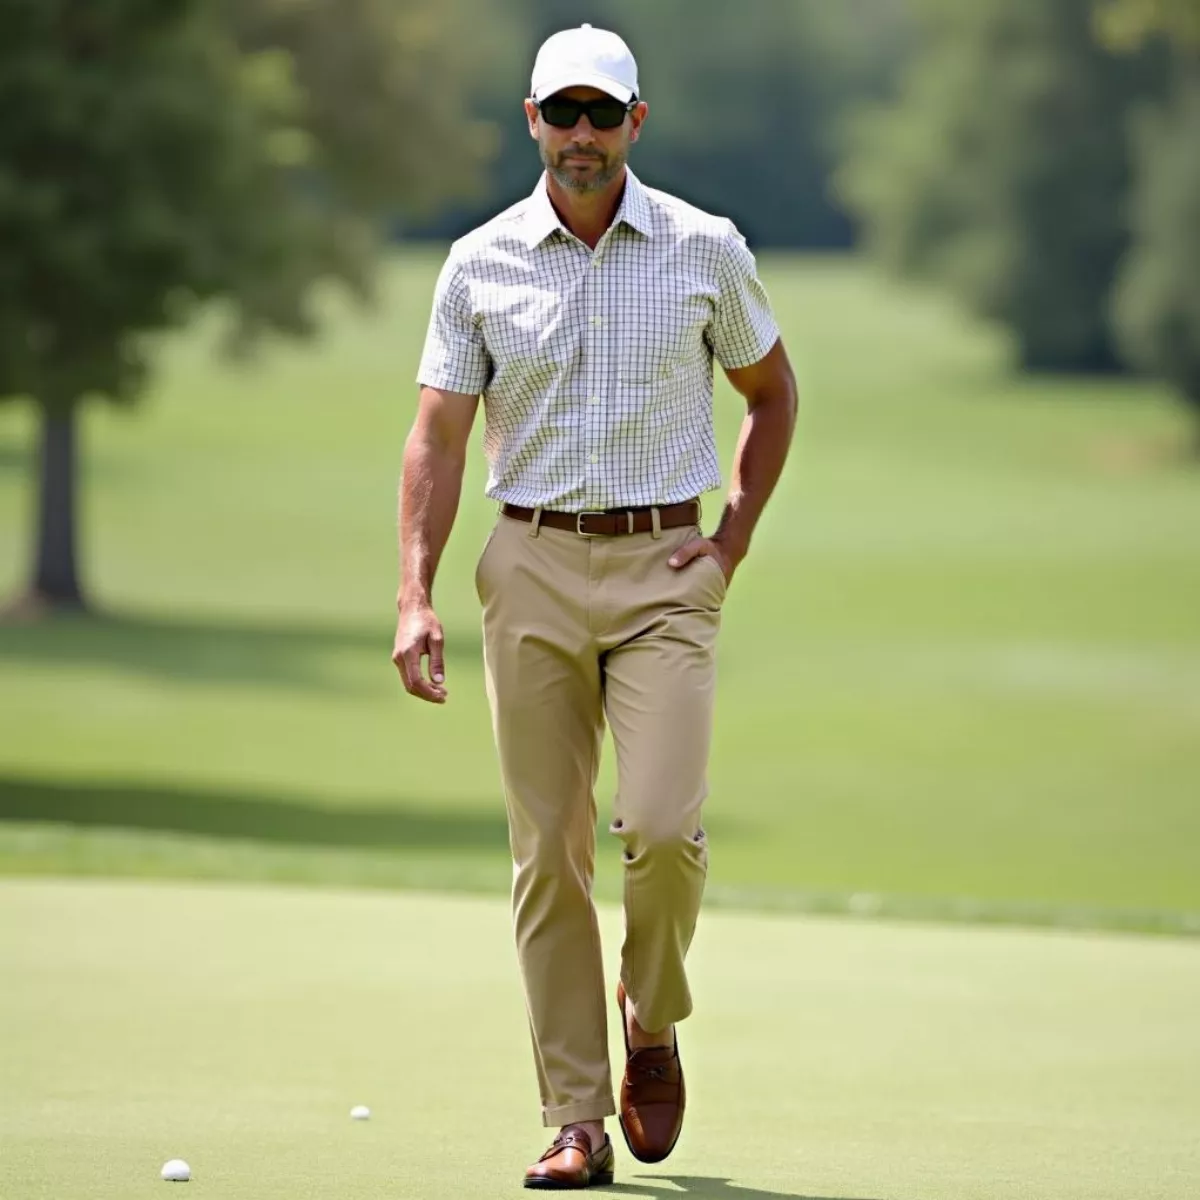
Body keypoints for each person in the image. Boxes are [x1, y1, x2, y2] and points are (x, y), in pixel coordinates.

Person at [393, 22, 797, 1190]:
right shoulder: (478, 263)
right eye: (560, 114)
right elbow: (438, 434)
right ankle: (575, 1117)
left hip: (666, 567)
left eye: (600, 115)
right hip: (528, 565)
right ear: (531, 121)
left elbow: (771, 394)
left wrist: (730, 536)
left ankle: (651, 1012)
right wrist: (415, 594)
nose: (581, 136)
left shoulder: (703, 247)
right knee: (548, 858)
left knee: (663, 830)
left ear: (636, 123)